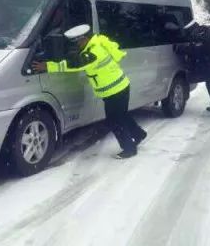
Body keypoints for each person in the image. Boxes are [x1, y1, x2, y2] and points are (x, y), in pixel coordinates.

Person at [32, 24, 147, 159]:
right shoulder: (95, 43)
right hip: (118, 87)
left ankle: (129, 149)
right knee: (121, 115)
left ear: (84, 39)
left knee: (114, 120)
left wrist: (47, 66)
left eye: (77, 42)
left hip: (114, 90)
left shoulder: (93, 51)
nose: (76, 45)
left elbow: (75, 64)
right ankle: (138, 134)